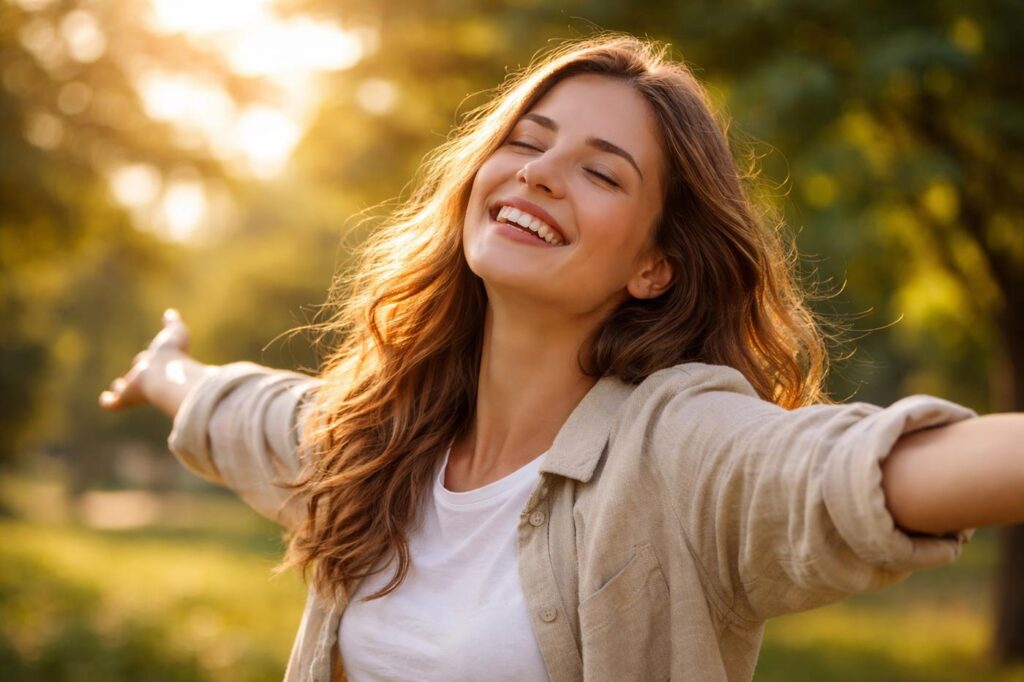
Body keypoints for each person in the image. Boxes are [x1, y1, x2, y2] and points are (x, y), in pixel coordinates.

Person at [98, 34, 1024, 682]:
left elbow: (849, 471)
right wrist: (167, 373)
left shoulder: (674, 450)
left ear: (655, 264)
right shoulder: (382, 436)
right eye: (526, 142)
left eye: (601, 171)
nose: (538, 172)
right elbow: (256, 414)